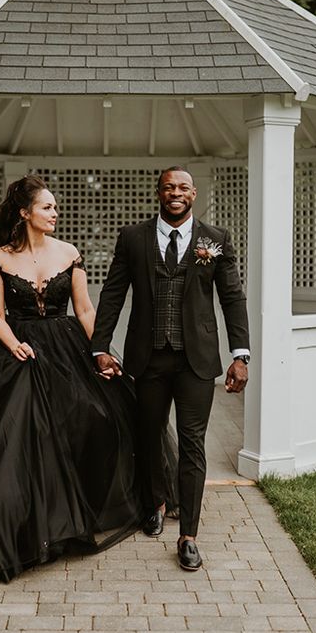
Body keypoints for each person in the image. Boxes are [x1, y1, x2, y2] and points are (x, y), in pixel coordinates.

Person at [0, 175, 174, 582]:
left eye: (55, 207)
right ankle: (23, 526)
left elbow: (84, 311)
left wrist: (99, 351)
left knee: (96, 415)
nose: (55, 213)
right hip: (15, 346)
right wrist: (13, 344)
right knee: (3, 430)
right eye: (47, 207)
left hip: (66, 348)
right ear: (25, 213)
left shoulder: (70, 254)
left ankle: (88, 510)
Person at [91, 165, 250, 572]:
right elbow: (112, 293)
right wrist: (99, 347)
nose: (175, 193)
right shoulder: (133, 238)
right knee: (148, 435)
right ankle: (156, 503)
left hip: (196, 360)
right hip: (148, 357)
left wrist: (240, 354)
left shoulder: (215, 239)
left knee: (192, 442)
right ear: (158, 193)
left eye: (182, 187)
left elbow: (232, 297)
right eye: (167, 187)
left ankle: (189, 536)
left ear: (193, 194)